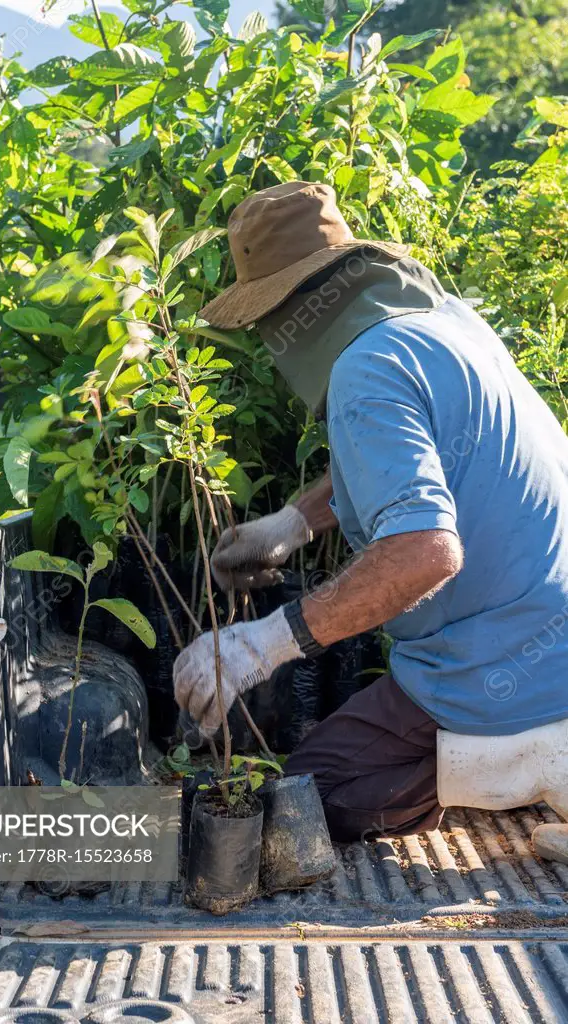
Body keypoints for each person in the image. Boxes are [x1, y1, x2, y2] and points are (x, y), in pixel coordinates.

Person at [173, 181, 568, 861]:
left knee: (308, 796)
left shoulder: (366, 369)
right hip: (548, 629)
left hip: (506, 657)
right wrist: (293, 523)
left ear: (287, 308)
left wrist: (261, 646)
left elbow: (425, 553)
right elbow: (413, 457)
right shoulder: (447, 326)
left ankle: (517, 753)